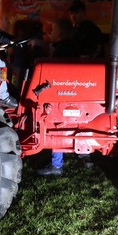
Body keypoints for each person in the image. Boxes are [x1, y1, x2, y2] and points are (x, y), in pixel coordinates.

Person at [37, 18, 81, 176]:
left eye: (53, 30)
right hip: (66, 90)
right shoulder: (68, 47)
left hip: (61, 93)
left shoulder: (63, 49)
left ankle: (56, 165)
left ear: (61, 33)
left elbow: (54, 72)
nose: (51, 33)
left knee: (56, 125)